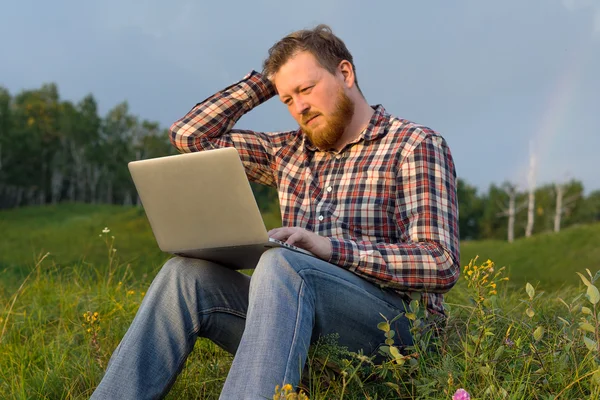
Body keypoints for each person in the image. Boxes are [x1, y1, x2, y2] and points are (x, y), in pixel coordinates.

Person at [91, 24, 460, 399]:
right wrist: (268, 82)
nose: (299, 106)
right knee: (184, 274)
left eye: (306, 89)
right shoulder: (285, 152)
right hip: (293, 326)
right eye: (287, 99)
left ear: (345, 74)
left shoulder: (413, 146)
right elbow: (190, 135)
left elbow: (441, 261)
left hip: (391, 338)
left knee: (282, 263)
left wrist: (329, 249)